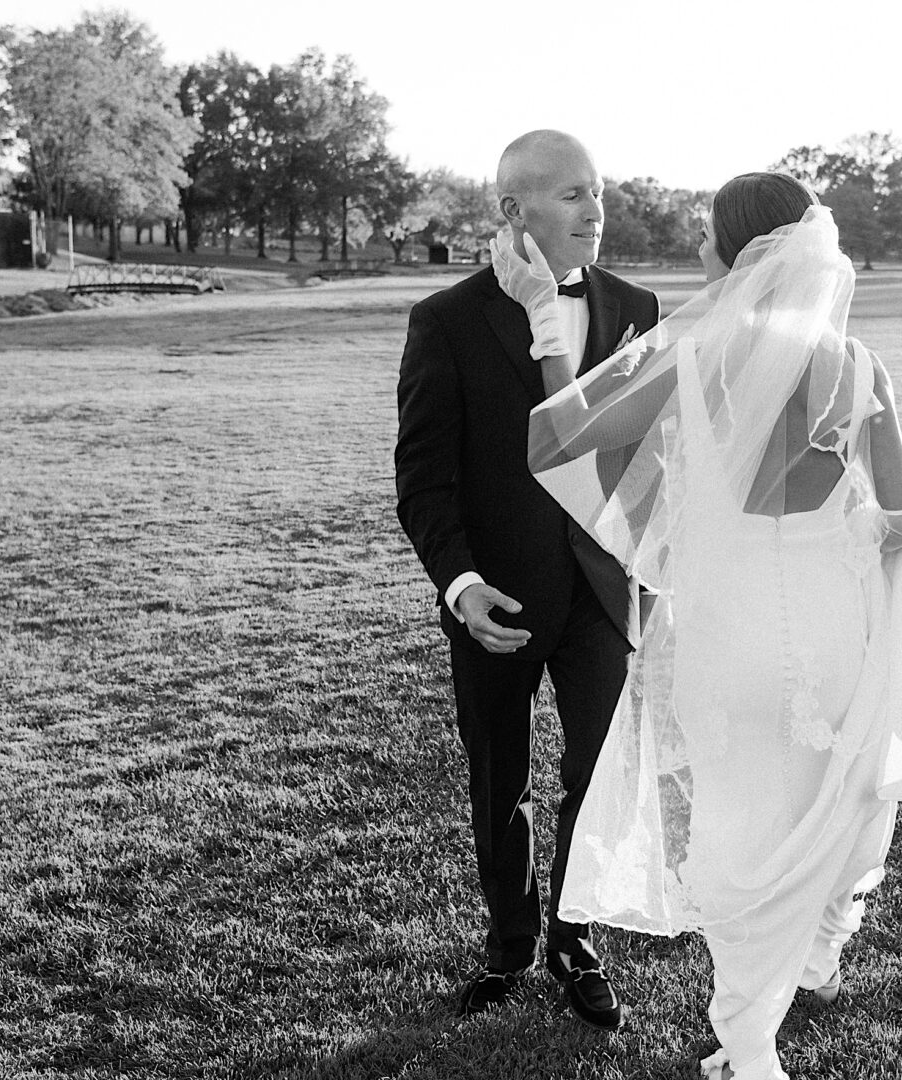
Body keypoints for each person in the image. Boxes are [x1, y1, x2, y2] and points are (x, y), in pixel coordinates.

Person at [490, 172, 902, 1079]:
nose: (699, 250)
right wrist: (849, 530)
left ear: (740, 253)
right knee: (828, 801)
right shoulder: (853, 366)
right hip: (827, 630)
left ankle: (748, 1043)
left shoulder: (691, 357)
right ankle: (811, 954)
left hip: (721, 635)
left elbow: (552, 439)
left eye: (706, 234)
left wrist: (547, 321)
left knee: (737, 823)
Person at [393, 129, 661, 1029]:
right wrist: (460, 586)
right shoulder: (448, 319)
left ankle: (574, 941)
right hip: (495, 601)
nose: (597, 211)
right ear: (514, 210)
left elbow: (647, 458)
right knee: (497, 778)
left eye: (599, 192)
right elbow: (425, 481)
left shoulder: (637, 304)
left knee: (596, 776)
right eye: (575, 194)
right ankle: (508, 947)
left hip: (601, 595)